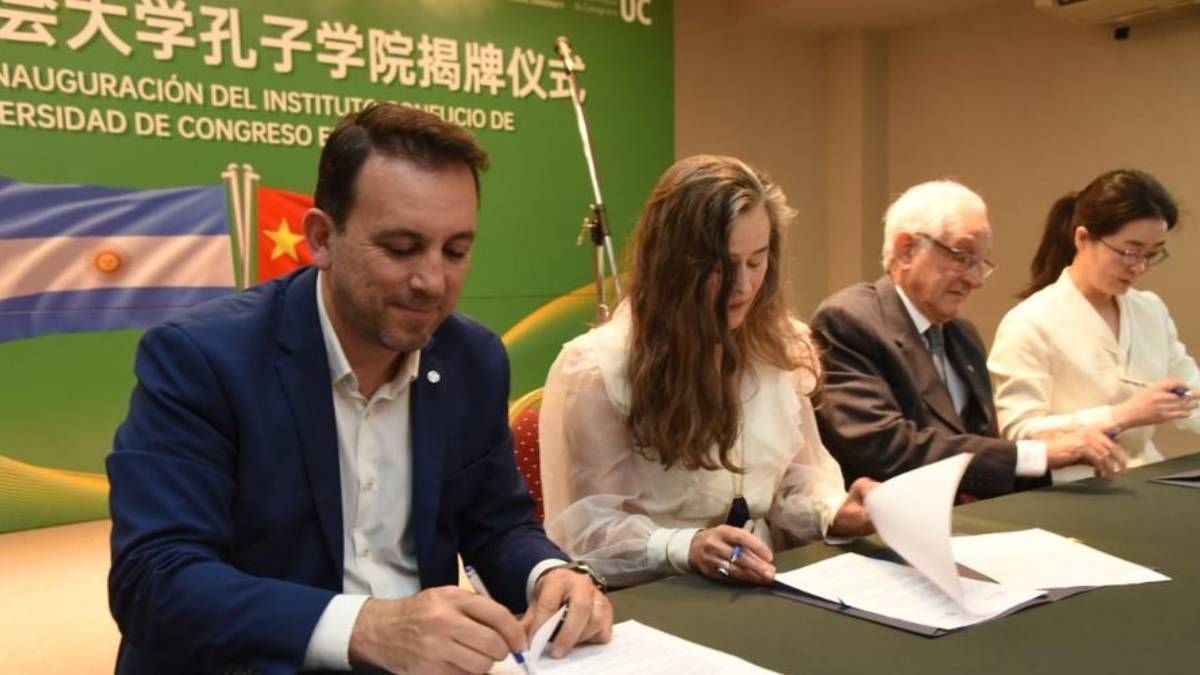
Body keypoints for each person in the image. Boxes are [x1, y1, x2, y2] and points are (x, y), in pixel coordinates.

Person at [107, 104, 611, 675]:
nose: (432, 282)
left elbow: (498, 523)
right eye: (401, 248)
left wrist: (550, 575)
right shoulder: (203, 359)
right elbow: (154, 577)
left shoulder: (474, 359)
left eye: (456, 251)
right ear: (322, 238)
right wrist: (364, 626)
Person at [539, 154, 875, 591]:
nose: (743, 286)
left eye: (756, 262)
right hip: (656, 595)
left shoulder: (781, 348)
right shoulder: (600, 369)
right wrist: (686, 546)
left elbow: (796, 481)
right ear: (673, 266)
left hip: (760, 583)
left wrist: (836, 512)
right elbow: (589, 532)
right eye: (720, 267)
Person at [810, 180, 1125, 500]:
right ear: (907, 250)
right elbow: (887, 447)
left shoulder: (963, 336)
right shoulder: (850, 320)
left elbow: (982, 448)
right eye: (962, 257)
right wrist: (1036, 454)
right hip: (889, 524)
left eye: (981, 264)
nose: (976, 280)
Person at [989, 169, 1199, 483]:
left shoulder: (1149, 310)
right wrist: (1123, 415)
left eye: (1151, 254)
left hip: (1147, 480)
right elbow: (1020, 435)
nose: (1139, 267)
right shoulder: (1030, 321)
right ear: (1083, 238)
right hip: (1069, 490)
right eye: (1129, 252)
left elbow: (1190, 390)